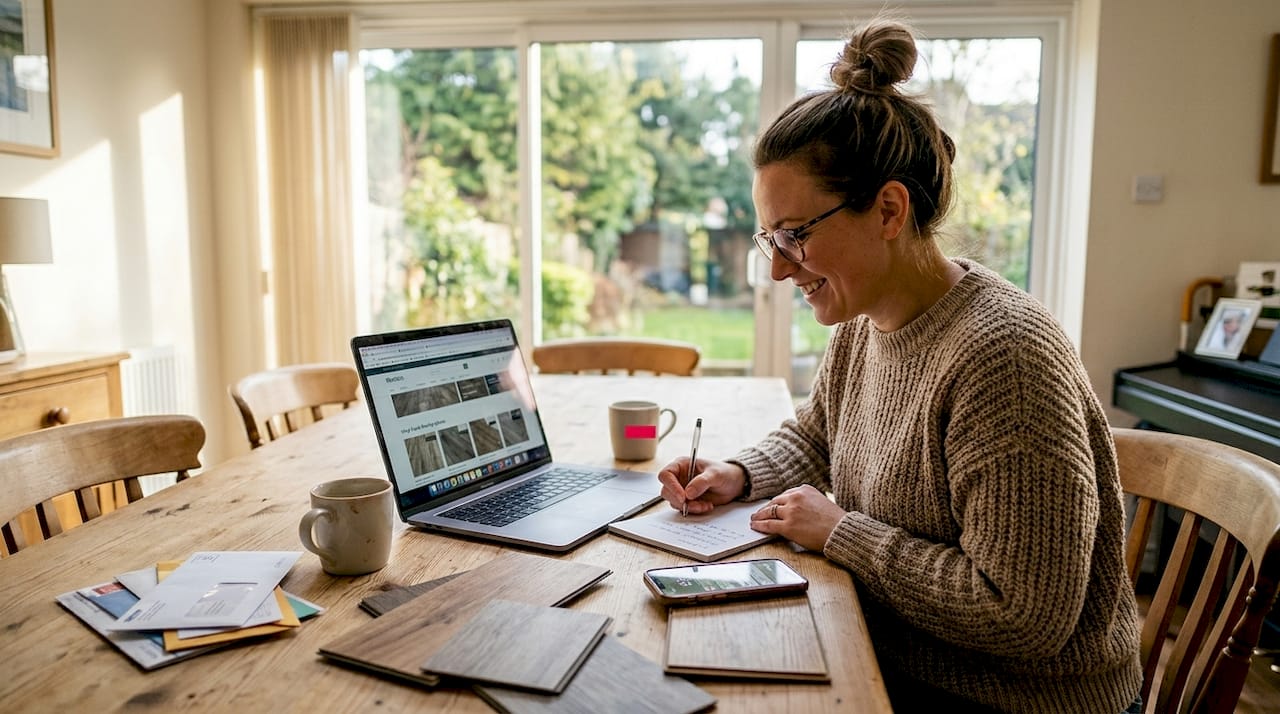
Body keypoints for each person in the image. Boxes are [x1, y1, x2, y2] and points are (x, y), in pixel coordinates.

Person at [657, 17, 1143, 713]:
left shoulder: (1004, 357)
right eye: (771, 238)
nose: (777, 271)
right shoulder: (867, 321)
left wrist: (840, 532)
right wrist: (737, 474)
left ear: (888, 209)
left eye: (794, 235)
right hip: (902, 658)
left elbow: (1023, 616)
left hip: (1014, 701)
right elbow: (818, 435)